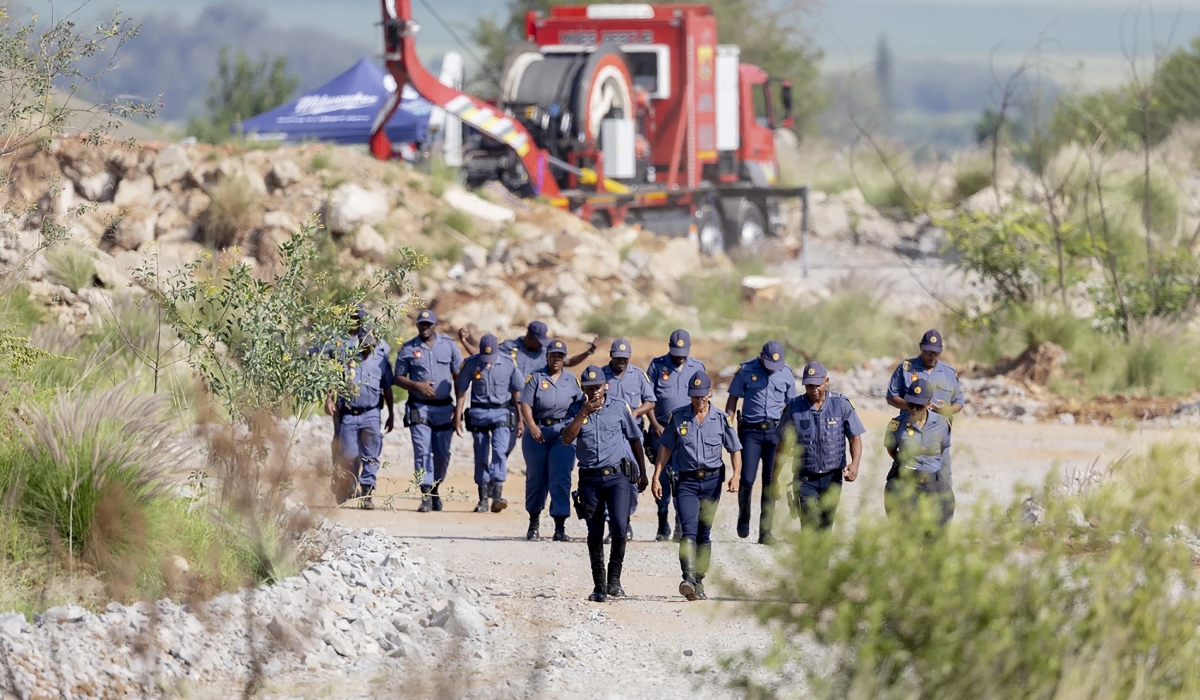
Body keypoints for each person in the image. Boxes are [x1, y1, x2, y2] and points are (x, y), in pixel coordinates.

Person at [652, 370, 741, 601]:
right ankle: (688, 578)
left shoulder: (722, 419)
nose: (698, 400)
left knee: (704, 533)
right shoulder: (678, 417)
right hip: (686, 482)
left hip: (712, 482)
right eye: (694, 396)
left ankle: (699, 580)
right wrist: (656, 475)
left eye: (702, 395)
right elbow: (666, 448)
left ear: (710, 393)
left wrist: (736, 475)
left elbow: (735, 449)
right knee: (687, 530)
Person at [562, 365, 647, 602]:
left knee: (620, 526)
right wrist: (582, 414)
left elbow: (635, 439)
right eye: (589, 388)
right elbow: (566, 438)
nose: (594, 392)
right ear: (583, 389)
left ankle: (615, 581)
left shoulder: (619, 407)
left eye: (597, 387)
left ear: (605, 386)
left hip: (617, 476)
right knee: (595, 531)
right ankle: (599, 585)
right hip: (590, 477)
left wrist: (642, 472)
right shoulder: (575, 409)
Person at [458, 321, 595, 456]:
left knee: (532, 448)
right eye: (539, 340)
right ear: (530, 337)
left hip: (536, 407)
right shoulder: (509, 347)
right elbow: (483, 355)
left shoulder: (545, 353)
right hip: (511, 405)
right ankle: (495, 475)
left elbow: (569, 362)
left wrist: (589, 351)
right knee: (504, 448)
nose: (542, 344)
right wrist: (464, 342)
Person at [885, 329, 964, 517]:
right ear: (921, 348)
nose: (932, 356)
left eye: (936, 352)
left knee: (942, 490)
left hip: (936, 437)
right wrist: (914, 405)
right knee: (906, 491)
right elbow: (891, 396)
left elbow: (959, 403)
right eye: (928, 351)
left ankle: (938, 533)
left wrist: (946, 410)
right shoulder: (906, 368)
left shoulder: (948, 372)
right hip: (910, 434)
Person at [778, 361, 865, 532]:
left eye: (817, 384)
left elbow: (854, 437)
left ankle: (821, 559)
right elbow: (781, 445)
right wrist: (775, 477)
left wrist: (855, 464)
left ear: (826, 381)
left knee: (825, 528)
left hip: (832, 478)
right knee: (809, 526)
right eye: (809, 385)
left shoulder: (841, 404)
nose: (814, 389)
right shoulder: (793, 408)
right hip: (805, 478)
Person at [724, 340, 796, 544]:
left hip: (776, 433)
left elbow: (792, 406)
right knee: (746, 478)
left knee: (770, 481)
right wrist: (728, 426)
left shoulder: (786, 373)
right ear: (761, 357)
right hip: (751, 432)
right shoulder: (746, 369)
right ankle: (743, 517)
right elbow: (732, 399)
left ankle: (766, 531)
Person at [394, 308, 462, 513]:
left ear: (435, 325)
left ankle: (435, 489)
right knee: (422, 451)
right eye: (421, 324)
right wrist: (417, 385)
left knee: (442, 454)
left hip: (443, 409)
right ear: (417, 326)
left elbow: (460, 379)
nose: (425, 328)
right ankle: (425, 494)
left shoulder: (449, 347)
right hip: (419, 407)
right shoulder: (407, 349)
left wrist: (458, 412)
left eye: (428, 324)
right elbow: (397, 377)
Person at [518, 339, 583, 541]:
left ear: (565, 359)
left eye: (560, 356)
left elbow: (580, 404)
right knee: (537, 479)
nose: (556, 359)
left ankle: (560, 527)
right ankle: (534, 522)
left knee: (561, 478)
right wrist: (532, 425)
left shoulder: (571, 380)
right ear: (547, 356)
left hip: (563, 434)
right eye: (553, 355)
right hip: (538, 432)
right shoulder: (536, 377)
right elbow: (525, 404)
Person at [325, 324, 395, 510]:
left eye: (371, 343)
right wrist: (329, 399)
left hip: (371, 414)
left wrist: (391, 414)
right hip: (349, 413)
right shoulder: (347, 357)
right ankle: (347, 484)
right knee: (348, 454)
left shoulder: (381, 360)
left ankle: (367, 493)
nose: (368, 347)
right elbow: (335, 380)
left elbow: (387, 388)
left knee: (371, 456)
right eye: (365, 343)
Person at [646, 329, 706, 542]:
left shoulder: (697, 367)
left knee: (684, 477)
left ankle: (682, 524)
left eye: (683, 351)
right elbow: (648, 398)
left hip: (688, 431)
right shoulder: (657, 365)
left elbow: (705, 399)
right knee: (662, 476)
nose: (680, 355)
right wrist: (654, 424)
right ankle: (663, 522)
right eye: (676, 351)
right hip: (662, 429)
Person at [454, 333, 524, 514]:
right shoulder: (471, 363)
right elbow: (461, 389)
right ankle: (483, 498)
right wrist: (457, 414)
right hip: (478, 414)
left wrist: (521, 419)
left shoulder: (509, 363)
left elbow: (517, 392)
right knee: (481, 454)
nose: (488, 362)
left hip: (502, 413)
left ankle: (497, 495)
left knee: (500, 451)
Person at [601, 338, 655, 542]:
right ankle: (612, 525)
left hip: (632, 436)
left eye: (625, 358)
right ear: (611, 356)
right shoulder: (601, 374)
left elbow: (651, 401)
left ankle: (626, 519)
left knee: (632, 479)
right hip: (608, 437)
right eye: (618, 358)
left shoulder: (638, 375)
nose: (621, 362)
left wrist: (636, 412)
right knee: (608, 479)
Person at [884, 377, 953, 528]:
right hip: (906, 481)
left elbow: (941, 449)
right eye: (910, 405)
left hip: (932, 482)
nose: (913, 410)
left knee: (936, 531)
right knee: (908, 530)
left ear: (928, 404)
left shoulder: (942, 424)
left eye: (918, 406)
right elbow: (891, 449)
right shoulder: (896, 424)